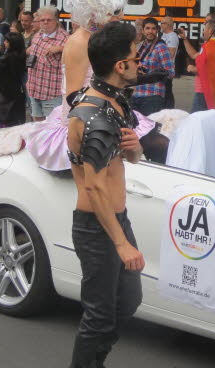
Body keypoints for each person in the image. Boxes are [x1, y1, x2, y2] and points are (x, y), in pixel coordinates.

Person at [0, 0, 154, 172]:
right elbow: (73, 96)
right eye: (115, 11)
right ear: (94, 12)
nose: (121, 17)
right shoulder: (79, 42)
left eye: (120, 10)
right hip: (84, 122)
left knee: (154, 144)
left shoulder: (98, 39)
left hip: (104, 112)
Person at [67, 21, 144, 368]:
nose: (139, 63)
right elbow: (95, 186)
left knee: (127, 302)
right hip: (96, 226)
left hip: (116, 219)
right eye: (135, 57)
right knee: (99, 316)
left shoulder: (115, 103)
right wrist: (121, 243)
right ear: (120, 66)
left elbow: (125, 159)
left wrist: (135, 148)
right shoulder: (93, 114)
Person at [181, 20, 215, 111]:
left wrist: (193, 68)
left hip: (205, 90)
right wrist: (184, 38)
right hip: (205, 89)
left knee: (196, 119)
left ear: (210, 31)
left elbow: (205, 68)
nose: (203, 32)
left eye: (204, 29)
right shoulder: (213, 45)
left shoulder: (211, 46)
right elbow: (195, 56)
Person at [25, 7, 69, 122]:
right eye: (42, 20)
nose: (45, 22)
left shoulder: (65, 38)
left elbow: (78, 53)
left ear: (56, 20)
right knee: (37, 124)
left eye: (49, 20)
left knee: (52, 126)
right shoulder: (37, 35)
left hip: (52, 93)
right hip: (34, 89)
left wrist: (61, 48)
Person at [131, 17, 175, 116]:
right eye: (147, 28)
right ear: (143, 30)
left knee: (150, 129)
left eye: (153, 28)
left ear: (157, 30)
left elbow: (171, 73)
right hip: (136, 94)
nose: (150, 31)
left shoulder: (161, 47)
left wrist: (149, 73)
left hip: (152, 96)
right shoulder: (141, 47)